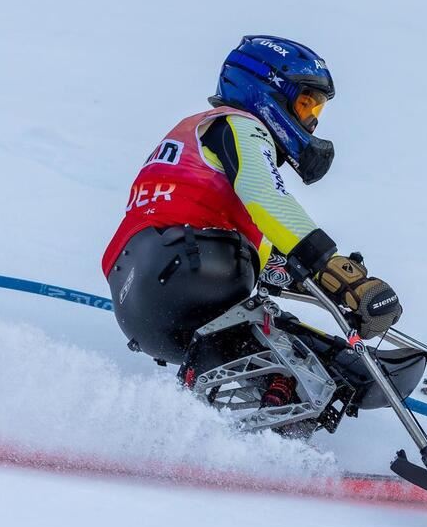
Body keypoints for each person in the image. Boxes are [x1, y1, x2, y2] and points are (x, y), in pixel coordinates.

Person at [101, 35, 403, 400]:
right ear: (265, 89)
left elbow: (210, 209)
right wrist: (333, 267)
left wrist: (286, 266)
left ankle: (263, 421)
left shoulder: (192, 133)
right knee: (309, 354)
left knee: (269, 346)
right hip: (192, 265)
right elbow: (264, 195)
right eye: (305, 104)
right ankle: (347, 374)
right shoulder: (238, 123)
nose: (309, 122)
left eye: (316, 112)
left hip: (140, 302)